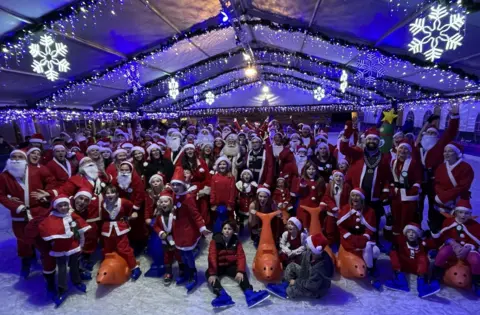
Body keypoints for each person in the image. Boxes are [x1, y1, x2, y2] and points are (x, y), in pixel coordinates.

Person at [0, 149, 56, 278]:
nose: (16, 159)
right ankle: (26, 261)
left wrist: (46, 194)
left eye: (20, 156)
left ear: (25, 159)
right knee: (22, 238)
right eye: (13, 156)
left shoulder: (37, 170)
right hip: (19, 214)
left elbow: (51, 181)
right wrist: (14, 205)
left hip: (38, 211)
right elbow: (1, 195)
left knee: (42, 236)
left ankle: (46, 262)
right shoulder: (4, 176)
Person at [38, 195, 91, 306]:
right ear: (56, 207)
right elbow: (43, 227)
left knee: (75, 266)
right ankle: (62, 289)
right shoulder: (51, 218)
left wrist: (81, 244)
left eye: (65, 205)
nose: (63, 208)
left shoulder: (72, 215)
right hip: (59, 248)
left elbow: (81, 229)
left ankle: (77, 281)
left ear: (69, 205)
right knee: (61, 269)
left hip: (73, 246)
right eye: (60, 205)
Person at [340, 127, 391, 240]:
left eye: (374, 139)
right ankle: (354, 242)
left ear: (379, 142)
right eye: (369, 139)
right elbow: (344, 149)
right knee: (355, 221)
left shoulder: (384, 157)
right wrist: (346, 136)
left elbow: (387, 177)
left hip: (375, 199)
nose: (371, 141)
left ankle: (372, 243)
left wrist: (385, 191)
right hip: (357, 197)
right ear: (365, 141)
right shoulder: (358, 153)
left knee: (374, 221)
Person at [415, 104, 459, 232]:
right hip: (419, 181)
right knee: (417, 206)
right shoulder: (419, 147)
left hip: (433, 182)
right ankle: (416, 228)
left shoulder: (439, 146)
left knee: (434, 206)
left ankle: (433, 229)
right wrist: (427, 124)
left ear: (436, 136)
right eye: (428, 133)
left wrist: (454, 116)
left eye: (433, 133)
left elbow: (450, 132)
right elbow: (418, 138)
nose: (430, 134)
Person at [207, 220, 270, 308]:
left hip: (230, 266)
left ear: (233, 231)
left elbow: (241, 256)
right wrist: (213, 273)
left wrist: (240, 271)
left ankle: (249, 293)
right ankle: (222, 295)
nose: (227, 231)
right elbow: (212, 256)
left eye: (229, 229)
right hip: (219, 266)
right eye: (225, 228)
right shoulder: (215, 241)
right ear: (222, 230)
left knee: (241, 273)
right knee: (209, 274)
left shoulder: (236, 241)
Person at [169, 168, 211, 292]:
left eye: (178, 184)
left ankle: (193, 274)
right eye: (173, 184)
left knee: (187, 254)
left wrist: (202, 228)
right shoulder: (174, 195)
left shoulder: (188, 198)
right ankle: (185, 271)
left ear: (183, 185)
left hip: (188, 230)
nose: (175, 187)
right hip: (178, 229)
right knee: (181, 253)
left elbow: (196, 214)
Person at [431, 199, 480, 296]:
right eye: (460, 212)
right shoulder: (448, 222)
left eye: (466, 213)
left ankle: (476, 282)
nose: (463, 215)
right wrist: (452, 242)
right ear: (456, 212)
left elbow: (477, 239)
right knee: (442, 253)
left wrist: (468, 247)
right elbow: (443, 235)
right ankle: (435, 276)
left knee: (475, 260)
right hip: (452, 246)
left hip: (469, 249)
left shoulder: (475, 225)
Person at [267, 233, 334, 300]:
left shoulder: (320, 267)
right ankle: (286, 284)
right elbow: (301, 262)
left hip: (316, 289)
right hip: (306, 276)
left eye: (310, 247)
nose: (308, 248)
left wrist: (296, 282)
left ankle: (287, 292)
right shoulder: (309, 253)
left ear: (314, 250)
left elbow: (312, 285)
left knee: (291, 290)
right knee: (291, 266)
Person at [337, 188, 381, 289]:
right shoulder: (345, 209)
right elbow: (340, 226)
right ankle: (369, 270)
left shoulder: (370, 211)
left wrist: (365, 237)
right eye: (353, 196)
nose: (355, 198)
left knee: (375, 251)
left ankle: (370, 268)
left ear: (362, 199)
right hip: (349, 238)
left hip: (364, 238)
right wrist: (348, 236)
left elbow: (371, 229)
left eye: (357, 196)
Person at [385, 222, 440, 298]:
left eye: (414, 232)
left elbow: (435, 245)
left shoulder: (422, 243)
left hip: (417, 268)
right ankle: (401, 282)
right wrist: (388, 225)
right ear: (406, 233)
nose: (411, 234)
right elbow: (388, 237)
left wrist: (434, 234)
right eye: (409, 232)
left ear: (418, 235)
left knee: (423, 257)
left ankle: (422, 286)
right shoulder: (401, 240)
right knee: (393, 252)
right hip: (403, 266)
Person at [100, 185, 142, 280]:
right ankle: (107, 267)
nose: (110, 195)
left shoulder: (123, 201)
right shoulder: (103, 203)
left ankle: (134, 267)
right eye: (107, 193)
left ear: (117, 194)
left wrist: (132, 215)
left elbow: (132, 208)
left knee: (124, 248)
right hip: (107, 229)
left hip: (120, 228)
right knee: (107, 249)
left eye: (112, 192)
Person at [433, 142, 474, 231]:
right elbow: (437, 183)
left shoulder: (466, 168)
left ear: (457, 153)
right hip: (441, 203)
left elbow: (463, 186)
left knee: (455, 229)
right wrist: (441, 197)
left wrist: (446, 197)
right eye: (445, 151)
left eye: (450, 151)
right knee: (439, 226)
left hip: (458, 202)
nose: (446, 153)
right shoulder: (441, 167)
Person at [389, 140, 422, 240]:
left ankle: (405, 240)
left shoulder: (414, 163)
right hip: (396, 195)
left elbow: (418, 179)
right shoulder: (393, 162)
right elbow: (391, 177)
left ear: (409, 151)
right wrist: (391, 187)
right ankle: (396, 240)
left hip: (408, 196)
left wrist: (415, 188)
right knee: (395, 218)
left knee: (406, 218)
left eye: (406, 149)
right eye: (401, 148)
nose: (403, 151)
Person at [113, 161, 147, 254]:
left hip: (135, 208)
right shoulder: (116, 180)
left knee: (137, 227)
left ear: (131, 171)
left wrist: (135, 209)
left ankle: (140, 245)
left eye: (127, 170)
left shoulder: (136, 179)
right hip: (122, 208)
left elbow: (140, 194)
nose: (124, 172)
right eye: (122, 170)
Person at [152, 189, 185, 286]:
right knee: (167, 257)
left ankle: (182, 269)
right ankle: (168, 272)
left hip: (176, 240)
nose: (163, 204)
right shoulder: (159, 216)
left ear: (170, 202)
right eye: (161, 202)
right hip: (165, 241)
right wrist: (161, 232)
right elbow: (155, 226)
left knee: (179, 255)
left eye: (166, 201)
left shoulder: (175, 213)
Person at [321, 170, 351, 245]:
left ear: (343, 178)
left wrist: (344, 210)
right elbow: (326, 197)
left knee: (341, 229)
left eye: (340, 176)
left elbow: (349, 200)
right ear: (333, 177)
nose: (338, 178)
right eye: (336, 176)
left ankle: (341, 244)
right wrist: (333, 207)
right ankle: (330, 244)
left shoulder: (346, 186)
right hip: (331, 213)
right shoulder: (330, 186)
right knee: (330, 229)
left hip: (342, 213)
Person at [295, 160, 325, 232]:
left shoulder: (320, 180)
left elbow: (323, 194)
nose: (311, 171)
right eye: (309, 169)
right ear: (306, 170)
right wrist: (302, 186)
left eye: (313, 169)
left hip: (316, 208)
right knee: (305, 227)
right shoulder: (302, 180)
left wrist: (322, 204)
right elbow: (298, 191)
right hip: (304, 209)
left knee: (315, 226)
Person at [210, 156, 236, 232]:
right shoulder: (214, 177)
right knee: (218, 219)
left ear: (227, 165)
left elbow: (232, 191)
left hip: (228, 204)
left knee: (229, 220)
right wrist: (213, 203)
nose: (222, 166)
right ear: (217, 166)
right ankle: (218, 233)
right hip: (217, 204)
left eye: (224, 164)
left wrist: (230, 204)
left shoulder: (231, 177)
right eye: (220, 164)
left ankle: (230, 234)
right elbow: (213, 191)